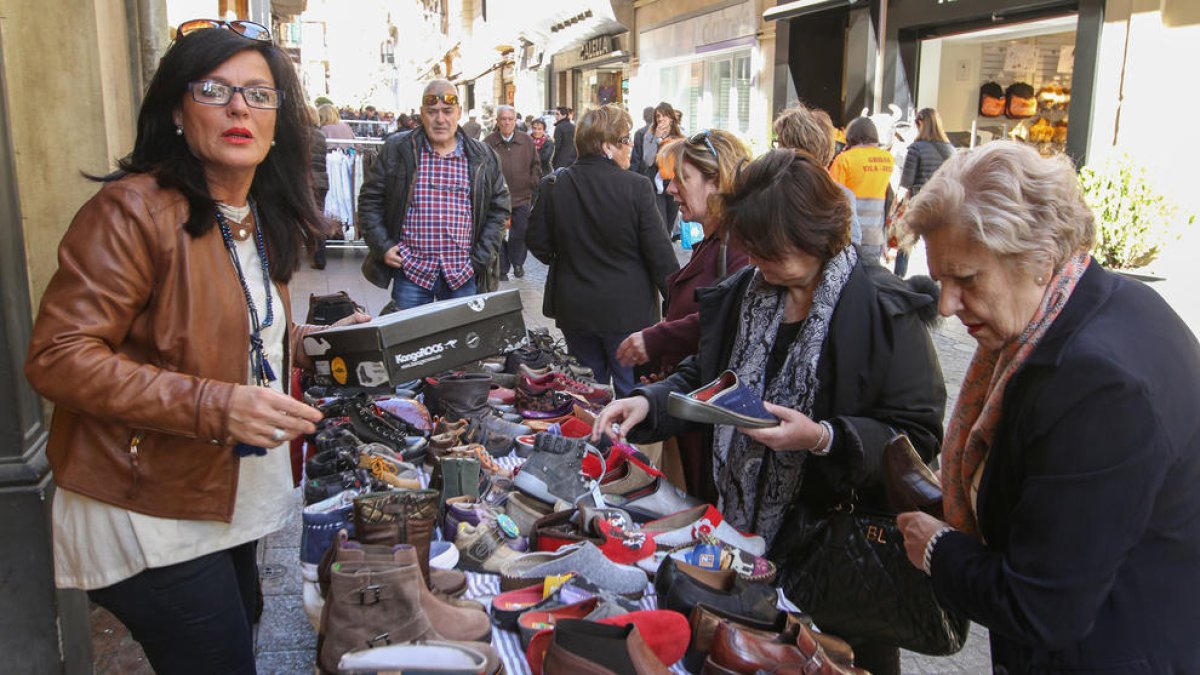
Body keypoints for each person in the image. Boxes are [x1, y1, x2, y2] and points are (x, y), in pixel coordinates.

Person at [23, 21, 368, 673]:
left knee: (242, 631)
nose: (240, 107)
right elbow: (58, 353)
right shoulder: (132, 210)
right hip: (147, 502)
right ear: (178, 112)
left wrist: (302, 345)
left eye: (260, 95)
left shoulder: (253, 214)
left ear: (277, 122)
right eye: (216, 89)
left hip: (219, 490)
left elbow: (223, 326)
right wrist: (216, 404)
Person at [594, 149, 945, 674]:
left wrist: (824, 438)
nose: (756, 262)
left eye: (769, 251)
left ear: (815, 236)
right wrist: (648, 401)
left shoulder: (882, 307)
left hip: (834, 558)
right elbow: (707, 379)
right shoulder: (748, 293)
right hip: (742, 546)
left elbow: (917, 435)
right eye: (751, 248)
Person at [894, 141, 1200, 673]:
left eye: (966, 279)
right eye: (940, 279)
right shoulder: (1102, 305)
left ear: (1038, 257)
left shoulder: (1096, 384)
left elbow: (1042, 607)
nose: (945, 304)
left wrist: (938, 550)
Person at [614, 129, 752, 500]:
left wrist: (660, 338)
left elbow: (729, 317)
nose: (671, 189)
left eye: (683, 178)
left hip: (710, 426)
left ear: (717, 182)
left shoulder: (737, 245)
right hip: (689, 409)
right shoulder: (713, 240)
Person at [528, 105, 678, 397]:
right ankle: (623, 442)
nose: (630, 147)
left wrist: (566, 256)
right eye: (625, 140)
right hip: (628, 313)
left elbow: (537, 242)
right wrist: (678, 304)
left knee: (588, 393)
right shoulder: (636, 187)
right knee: (630, 394)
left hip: (576, 309)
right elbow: (660, 255)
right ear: (607, 146)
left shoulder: (555, 185)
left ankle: (595, 441)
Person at [358, 79, 510, 309]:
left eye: (447, 111)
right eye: (432, 112)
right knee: (409, 341)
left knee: (463, 342)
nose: (440, 119)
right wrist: (383, 246)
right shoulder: (398, 149)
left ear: (458, 113)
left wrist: (479, 260)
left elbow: (499, 209)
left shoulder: (483, 156)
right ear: (421, 114)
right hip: (412, 272)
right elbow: (370, 200)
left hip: (463, 274)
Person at [774, 104, 862, 247]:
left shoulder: (772, 191)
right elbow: (853, 250)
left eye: (779, 143)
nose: (777, 150)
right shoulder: (842, 195)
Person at [893, 107, 953, 278]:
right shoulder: (950, 149)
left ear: (920, 123)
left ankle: (899, 279)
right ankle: (938, 280)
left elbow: (906, 182)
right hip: (943, 203)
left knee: (905, 245)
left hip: (918, 202)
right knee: (937, 245)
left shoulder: (916, 149)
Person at [484, 105, 540, 280]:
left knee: (521, 232)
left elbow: (536, 165)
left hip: (522, 196)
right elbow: (482, 169)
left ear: (515, 121)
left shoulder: (526, 141)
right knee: (498, 234)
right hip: (498, 199)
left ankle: (517, 263)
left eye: (510, 119)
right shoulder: (488, 142)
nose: (507, 122)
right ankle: (501, 268)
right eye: (503, 119)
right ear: (497, 121)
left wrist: (532, 182)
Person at [831, 116, 893, 263]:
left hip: (849, 236)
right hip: (875, 237)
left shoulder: (844, 159)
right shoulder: (888, 159)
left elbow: (832, 196)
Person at [644, 102, 685, 237]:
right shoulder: (649, 135)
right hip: (657, 186)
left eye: (664, 116)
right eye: (657, 116)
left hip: (674, 182)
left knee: (670, 223)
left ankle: (666, 248)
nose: (660, 119)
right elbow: (648, 160)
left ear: (671, 118)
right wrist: (656, 138)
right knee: (661, 222)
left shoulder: (680, 136)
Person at [308, 105, 331, 269]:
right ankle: (320, 257)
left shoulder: (300, 134)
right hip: (321, 181)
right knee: (317, 219)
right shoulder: (321, 135)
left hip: (305, 181)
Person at [628, 106, 655, 176]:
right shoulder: (661, 132)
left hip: (643, 172)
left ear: (643, 117)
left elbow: (636, 157)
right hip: (657, 173)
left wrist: (633, 175)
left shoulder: (639, 133)